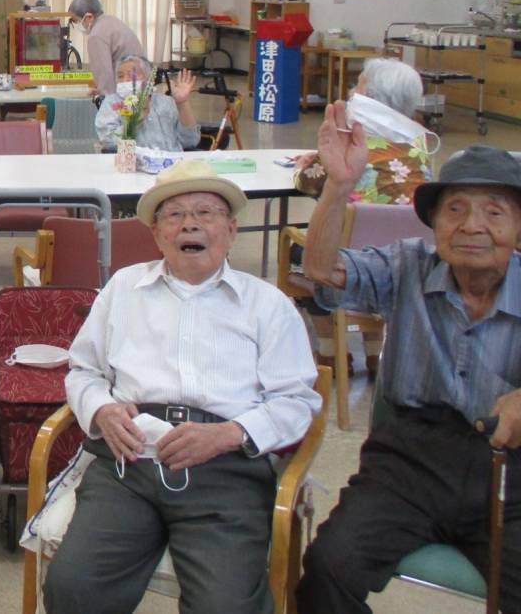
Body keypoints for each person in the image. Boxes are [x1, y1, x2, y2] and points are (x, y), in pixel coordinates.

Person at [43, 160, 321, 614]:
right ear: (157, 234)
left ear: (231, 230)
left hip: (226, 470)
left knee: (227, 608)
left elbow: (297, 402)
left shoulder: (268, 305)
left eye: (205, 212)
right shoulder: (124, 288)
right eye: (174, 215)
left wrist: (229, 434)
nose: (190, 223)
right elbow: (83, 371)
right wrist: (102, 411)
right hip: (129, 465)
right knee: (73, 588)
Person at [296, 133, 521, 612]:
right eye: (455, 210)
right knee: (329, 569)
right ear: (434, 223)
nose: (472, 226)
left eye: (494, 212)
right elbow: (320, 268)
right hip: (407, 464)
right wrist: (338, 186)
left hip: (509, 469)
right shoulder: (408, 267)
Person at [292, 57, 432, 374]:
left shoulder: (352, 142)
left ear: (367, 93)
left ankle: (330, 350)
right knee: (378, 239)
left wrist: (306, 164)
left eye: (359, 83)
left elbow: (307, 183)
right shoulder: (420, 144)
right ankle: (372, 351)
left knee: (301, 252)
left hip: (348, 261)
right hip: (404, 259)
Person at [94, 55, 199, 152]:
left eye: (132, 75)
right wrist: (135, 121)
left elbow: (190, 141)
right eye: (120, 76)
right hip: (135, 163)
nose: (125, 80)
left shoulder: (165, 102)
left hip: (174, 162)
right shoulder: (112, 103)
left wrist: (182, 103)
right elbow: (108, 142)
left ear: (149, 78)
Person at [67, 0, 145, 96]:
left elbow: (104, 75)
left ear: (89, 17)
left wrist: (104, 96)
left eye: (76, 20)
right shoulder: (112, 21)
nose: (76, 25)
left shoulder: (96, 35)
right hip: (138, 85)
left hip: (127, 90)